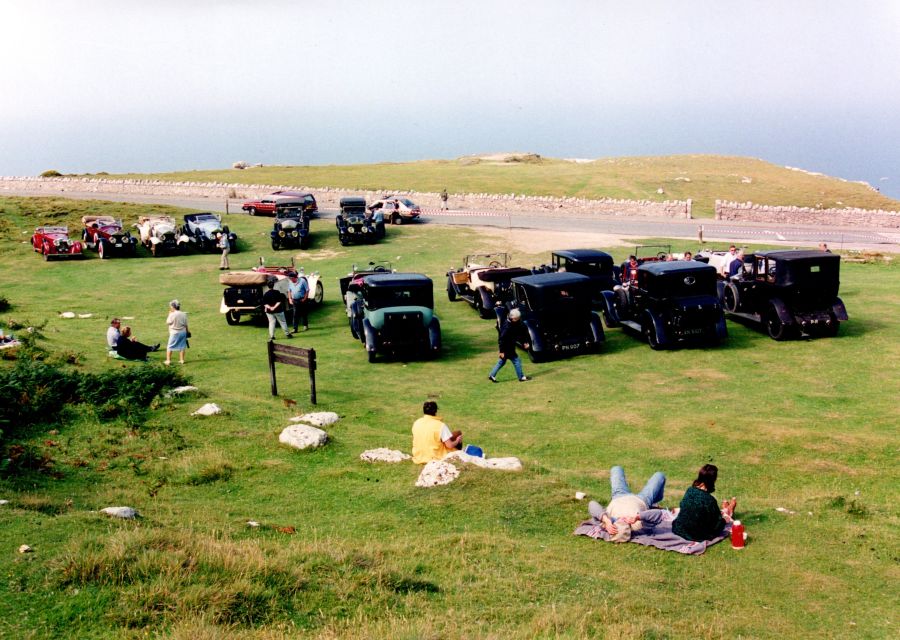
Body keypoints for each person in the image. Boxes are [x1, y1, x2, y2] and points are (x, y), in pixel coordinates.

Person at [588, 466, 667, 540]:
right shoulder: (637, 526)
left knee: (616, 468)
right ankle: (656, 499)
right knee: (659, 476)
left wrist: (606, 520)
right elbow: (658, 514)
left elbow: (592, 504)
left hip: (619, 495)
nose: (622, 520)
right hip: (643, 499)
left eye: (618, 523)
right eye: (624, 524)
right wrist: (637, 517)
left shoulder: (608, 521)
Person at [672, 464, 736, 542]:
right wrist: (724, 521)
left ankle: (727, 509)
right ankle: (729, 511)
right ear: (713, 480)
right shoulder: (709, 500)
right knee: (723, 517)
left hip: (681, 528)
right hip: (697, 534)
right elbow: (716, 525)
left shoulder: (690, 490)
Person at [489, 308, 530, 382]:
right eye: (517, 318)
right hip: (507, 347)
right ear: (514, 318)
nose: (518, 319)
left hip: (509, 346)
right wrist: (501, 351)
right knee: (516, 361)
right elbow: (502, 339)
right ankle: (521, 377)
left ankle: (492, 375)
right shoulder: (507, 327)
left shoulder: (512, 322)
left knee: (501, 362)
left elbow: (520, 331)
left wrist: (524, 342)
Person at [165, 299, 189, 365]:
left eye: (171, 306)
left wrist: (169, 314)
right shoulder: (184, 314)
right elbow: (186, 324)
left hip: (174, 333)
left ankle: (168, 360)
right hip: (183, 332)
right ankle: (182, 360)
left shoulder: (172, 314)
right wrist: (187, 331)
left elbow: (168, 322)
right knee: (182, 346)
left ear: (173, 306)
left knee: (169, 347)